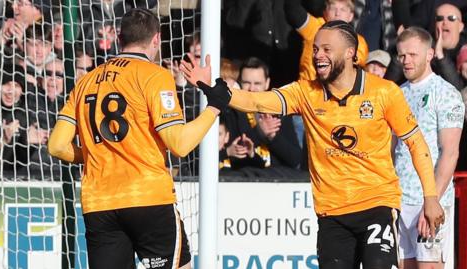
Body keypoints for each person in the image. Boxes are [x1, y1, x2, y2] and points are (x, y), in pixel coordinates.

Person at [181, 20, 445, 268]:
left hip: (376, 205)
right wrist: (212, 88)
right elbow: (257, 101)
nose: (318, 55)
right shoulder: (305, 92)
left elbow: (416, 143)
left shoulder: (384, 92)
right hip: (332, 214)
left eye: (327, 49)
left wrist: (430, 197)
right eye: (316, 49)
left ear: (350, 53)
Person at [47, 8, 230, 269]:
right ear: (157, 39)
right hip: (147, 198)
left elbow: (55, 146)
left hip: (99, 204)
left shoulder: (86, 81)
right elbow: (179, 144)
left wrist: (90, 154)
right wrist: (214, 107)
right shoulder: (154, 76)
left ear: (119, 39)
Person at [394, 27, 465, 269]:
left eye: (413, 54)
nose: (406, 61)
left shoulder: (445, 94)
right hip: (400, 199)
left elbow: (450, 151)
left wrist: (431, 201)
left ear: (430, 54)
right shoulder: (396, 94)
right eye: (402, 55)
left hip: (429, 199)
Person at [284, 0, 369, 80]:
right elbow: (292, 9)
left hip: (341, 93)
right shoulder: (314, 28)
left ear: (351, 16)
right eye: (333, 8)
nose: (337, 13)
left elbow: (357, 69)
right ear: (325, 12)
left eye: (343, 9)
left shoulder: (359, 42)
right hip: (309, 90)